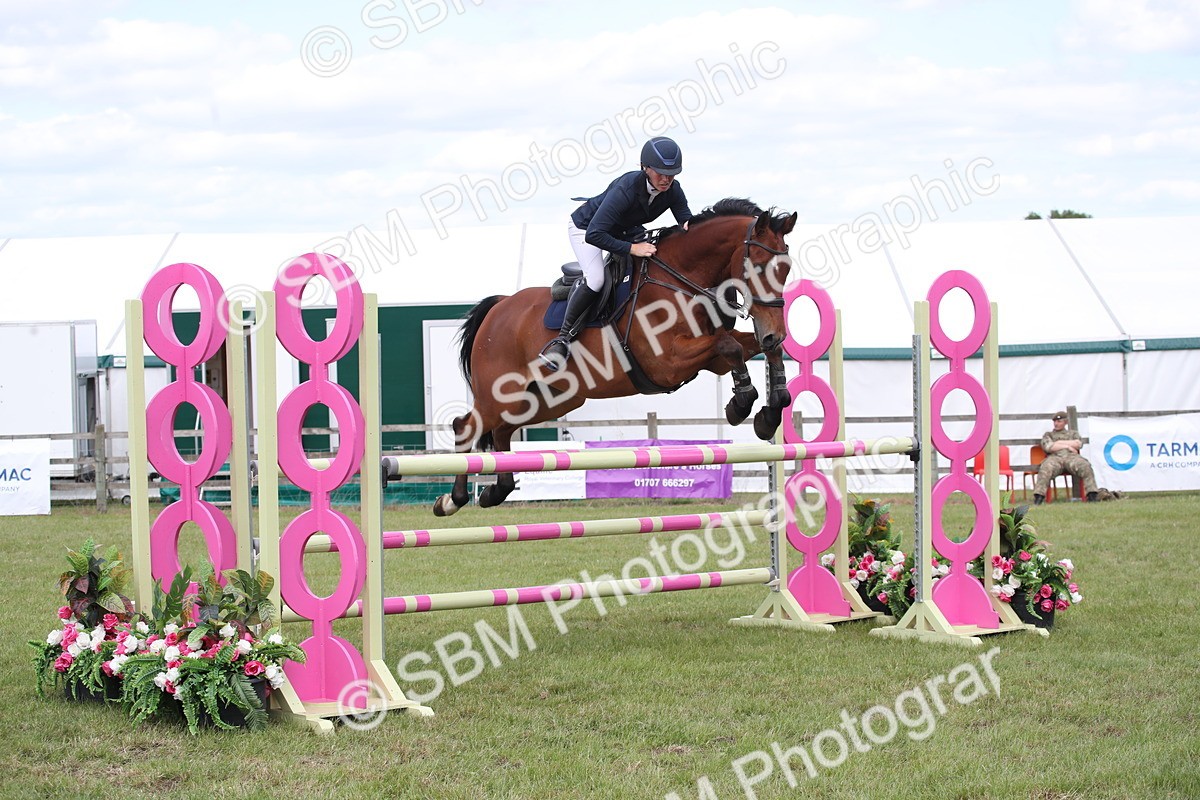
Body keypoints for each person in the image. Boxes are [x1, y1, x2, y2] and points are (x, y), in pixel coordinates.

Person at [539, 136, 693, 370]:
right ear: (645, 168)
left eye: (672, 173)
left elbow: (685, 221)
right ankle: (562, 339)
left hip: (623, 230)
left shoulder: (673, 189)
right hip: (587, 228)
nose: (666, 179)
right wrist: (633, 248)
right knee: (596, 278)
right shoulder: (627, 188)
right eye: (660, 172)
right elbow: (595, 234)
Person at [1034, 411, 1098, 505]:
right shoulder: (1048, 435)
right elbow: (1049, 447)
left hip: (1071, 457)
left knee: (1085, 466)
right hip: (1055, 457)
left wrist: (1058, 443)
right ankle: (1039, 497)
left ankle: (1092, 495)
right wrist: (1068, 446)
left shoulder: (1073, 434)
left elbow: (1078, 444)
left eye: (1059, 421)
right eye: (1055, 421)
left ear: (1065, 422)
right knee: (1045, 468)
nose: (1056, 423)